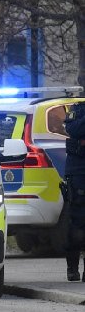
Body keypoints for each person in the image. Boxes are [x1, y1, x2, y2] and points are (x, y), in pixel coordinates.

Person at [62, 102, 85, 282]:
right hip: (79, 173)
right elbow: (74, 130)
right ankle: (72, 268)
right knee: (76, 224)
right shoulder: (78, 109)